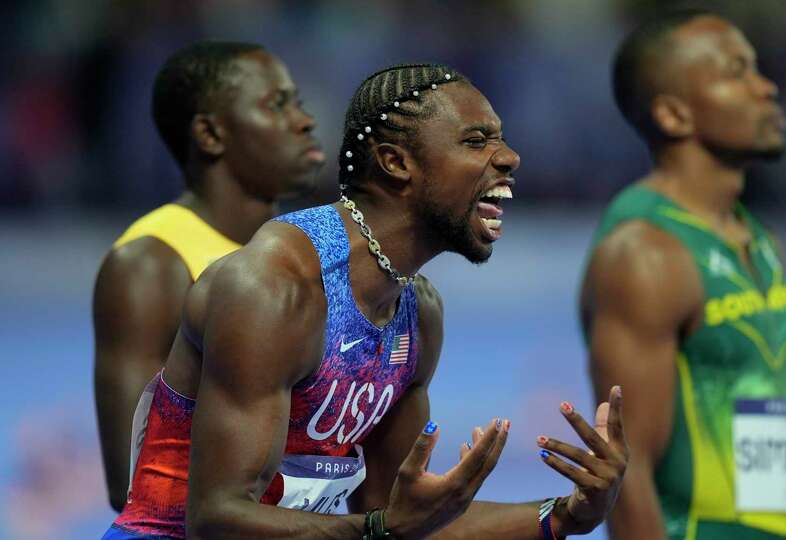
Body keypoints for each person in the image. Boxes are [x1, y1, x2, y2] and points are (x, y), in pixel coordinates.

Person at [104, 63, 627, 540]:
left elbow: (400, 518)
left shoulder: (419, 313)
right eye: (476, 140)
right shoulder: (275, 288)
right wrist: (380, 528)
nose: (509, 158)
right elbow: (217, 519)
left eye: (501, 139)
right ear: (397, 163)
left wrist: (564, 515)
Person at [580, 10, 786, 540]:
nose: (766, 87)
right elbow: (627, 472)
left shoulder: (760, 241)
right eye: (737, 72)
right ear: (675, 116)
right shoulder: (646, 255)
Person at [93, 40, 325, 513]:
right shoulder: (150, 266)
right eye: (275, 105)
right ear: (210, 134)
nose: (304, 120)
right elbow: (133, 480)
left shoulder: (307, 252)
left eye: (297, 101)